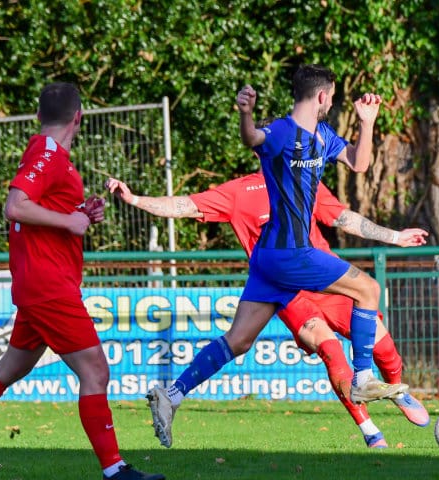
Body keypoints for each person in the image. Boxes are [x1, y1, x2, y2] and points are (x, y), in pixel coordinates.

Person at [146, 64, 400, 449]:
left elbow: (359, 163)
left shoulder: (323, 136)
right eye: (331, 96)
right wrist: (245, 114)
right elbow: (253, 137)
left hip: (266, 260)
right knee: (368, 289)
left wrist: (367, 123)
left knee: (238, 340)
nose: (332, 102)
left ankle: (172, 395)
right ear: (322, 96)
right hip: (293, 255)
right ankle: (363, 378)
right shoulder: (282, 131)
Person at [0, 82, 164, 480]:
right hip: (48, 285)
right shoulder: (48, 154)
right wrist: (70, 221)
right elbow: (15, 206)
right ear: (79, 117)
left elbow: (40, 210)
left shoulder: (52, 156)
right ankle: (114, 471)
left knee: (12, 366)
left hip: (40, 282)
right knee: (95, 370)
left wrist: (80, 212)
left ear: (38, 115)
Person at [106, 173, 431, 448]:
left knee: (383, 347)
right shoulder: (240, 191)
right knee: (329, 349)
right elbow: (185, 206)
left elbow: (343, 218)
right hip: (285, 289)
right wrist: (135, 199)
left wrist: (395, 236)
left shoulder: (303, 179)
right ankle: (371, 432)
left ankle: (397, 390)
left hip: (325, 279)